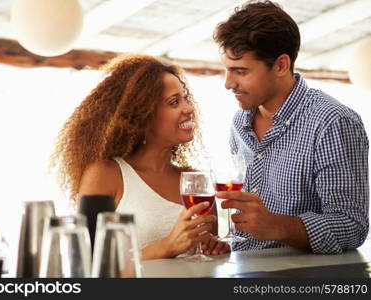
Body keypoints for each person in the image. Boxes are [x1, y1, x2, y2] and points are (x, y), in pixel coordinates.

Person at [213, 0, 369, 254]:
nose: (228, 83)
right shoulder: (239, 123)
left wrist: (279, 227)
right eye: (227, 71)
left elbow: (352, 226)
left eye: (240, 71)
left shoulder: (332, 122)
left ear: (281, 65)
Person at [51, 54, 229, 260]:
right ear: (142, 115)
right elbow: (86, 261)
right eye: (174, 102)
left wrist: (215, 250)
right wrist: (167, 247)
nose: (189, 109)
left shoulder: (195, 182)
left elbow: (204, 258)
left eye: (185, 98)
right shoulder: (105, 174)